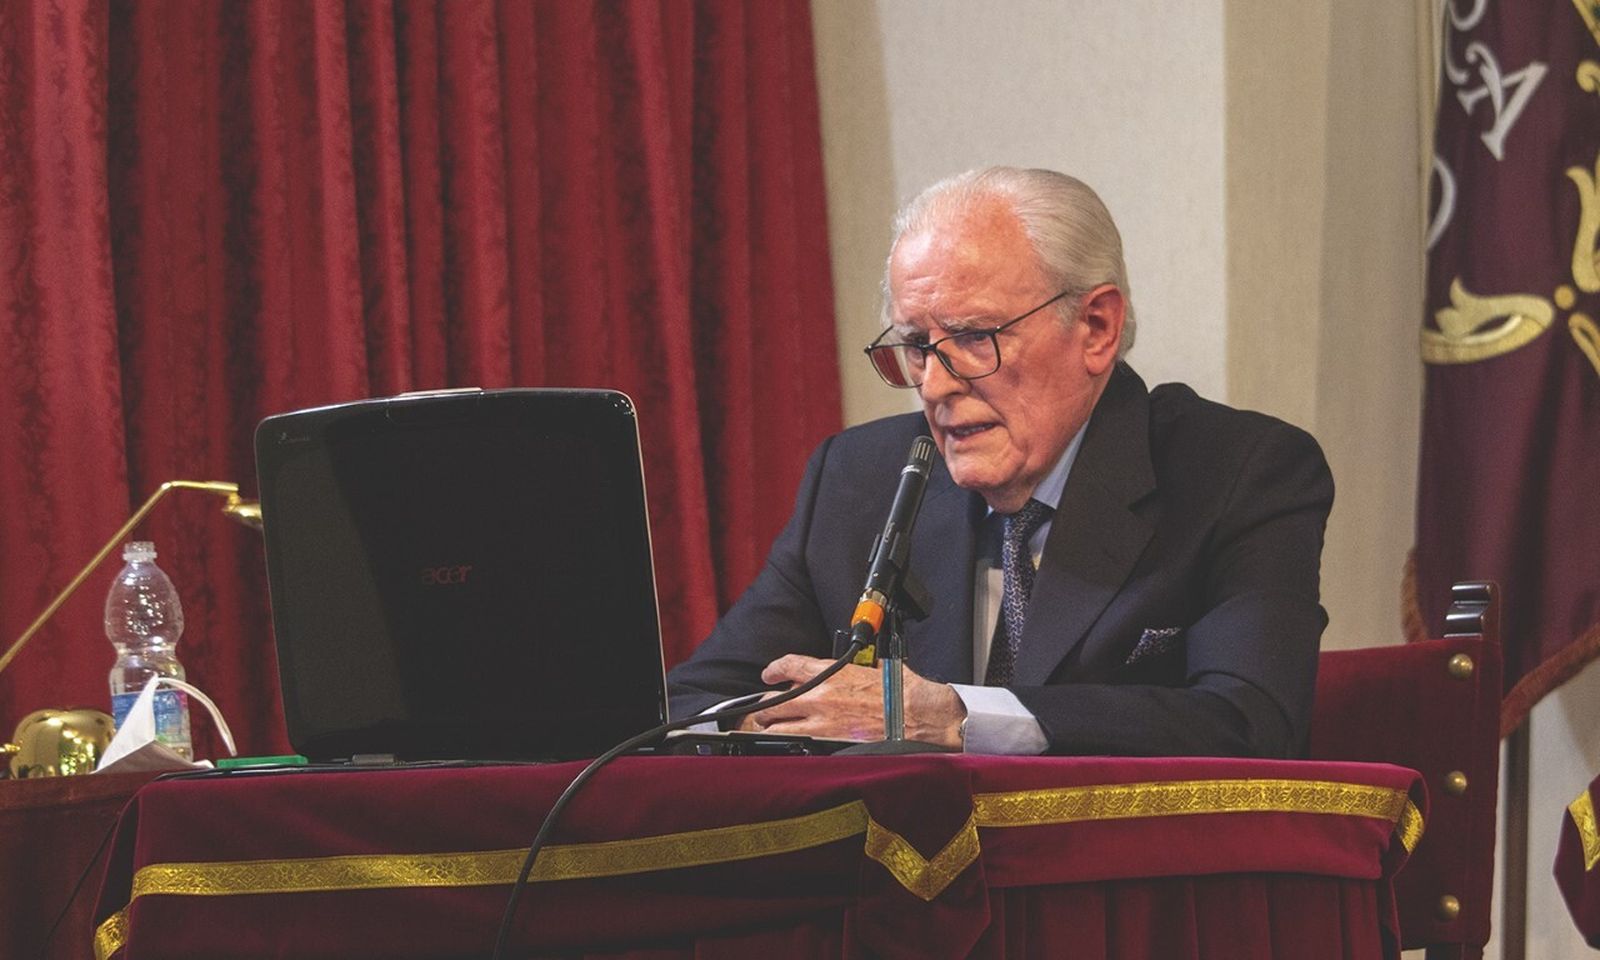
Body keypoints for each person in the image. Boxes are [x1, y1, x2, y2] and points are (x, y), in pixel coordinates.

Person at [667, 167, 1333, 757]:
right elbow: (691, 703)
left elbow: (1247, 723)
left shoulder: (1238, 473)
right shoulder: (858, 479)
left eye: (973, 337)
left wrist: (955, 717)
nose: (933, 385)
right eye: (917, 345)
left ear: (1096, 327)